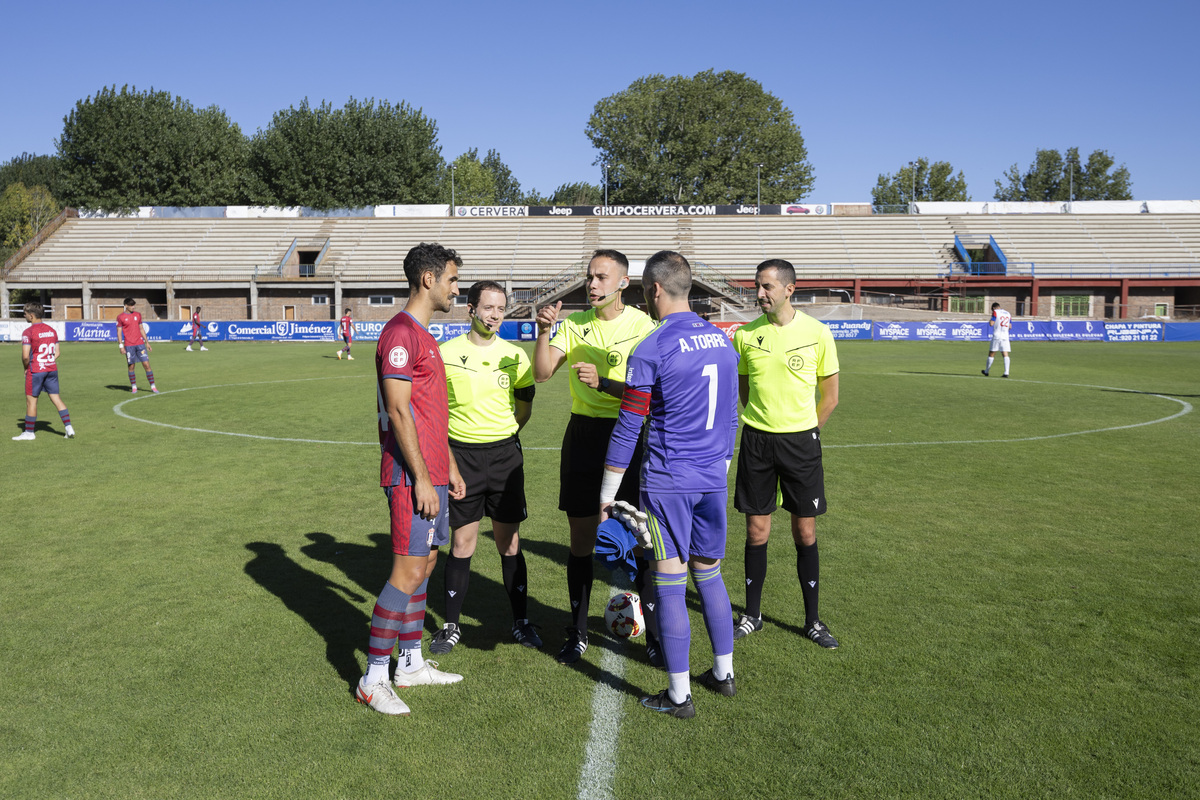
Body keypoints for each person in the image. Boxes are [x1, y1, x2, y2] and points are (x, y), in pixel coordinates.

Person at [600, 250, 740, 719]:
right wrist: (720, 466)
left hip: (668, 480)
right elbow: (730, 417)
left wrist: (606, 494)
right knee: (711, 574)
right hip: (710, 478)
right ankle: (724, 674)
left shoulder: (653, 346)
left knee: (671, 583)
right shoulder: (722, 341)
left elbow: (627, 425)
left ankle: (679, 696)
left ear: (654, 290)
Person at [356, 242, 467, 716]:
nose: (455, 289)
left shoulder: (423, 335)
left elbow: (428, 414)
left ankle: (411, 661)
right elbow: (398, 410)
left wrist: (449, 469)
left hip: (433, 473)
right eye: (452, 280)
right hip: (409, 477)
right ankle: (373, 677)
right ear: (428, 279)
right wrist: (422, 478)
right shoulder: (401, 334)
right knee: (405, 572)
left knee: (423, 567)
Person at [534, 249, 657, 665]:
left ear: (623, 282)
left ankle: (655, 635)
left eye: (602, 277)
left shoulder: (644, 326)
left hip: (629, 434)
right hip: (583, 436)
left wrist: (605, 382)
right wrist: (543, 332)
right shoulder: (573, 325)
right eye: (590, 277)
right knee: (582, 539)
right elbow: (542, 373)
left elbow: (654, 393)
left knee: (644, 540)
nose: (593, 284)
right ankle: (579, 632)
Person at [731, 259, 841, 649]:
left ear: (789, 289)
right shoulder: (744, 336)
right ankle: (752, 615)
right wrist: (765, 423)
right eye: (757, 287)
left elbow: (830, 397)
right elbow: (744, 391)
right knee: (756, 530)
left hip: (801, 444)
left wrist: (805, 432)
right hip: (758, 441)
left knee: (804, 530)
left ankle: (812, 620)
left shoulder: (818, 333)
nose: (759, 294)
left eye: (766, 287)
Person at [432, 280, 541, 653]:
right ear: (471, 309)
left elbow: (524, 407)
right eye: (489, 308)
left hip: (504, 457)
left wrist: (503, 434)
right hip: (461, 457)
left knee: (509, 543)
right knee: (463, 543)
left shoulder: (516, 356)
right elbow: (437, 415)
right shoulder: (445, 354)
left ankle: (521, 623)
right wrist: (450, 464)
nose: (495, 315)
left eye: (501, 309)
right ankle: (450, 626)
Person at [13, 302, 75, 441]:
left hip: (36, 370)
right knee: (56, 398)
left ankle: (29, 432)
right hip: (51, 368)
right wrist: (47, 360)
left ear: (31, 315)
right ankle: (68, 427)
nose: (24, 316)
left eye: (25, 314)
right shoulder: (51, 330)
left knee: (32, 401)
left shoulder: (28, 332)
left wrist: (26, 368)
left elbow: (25, 356)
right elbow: (57, 352)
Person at [116, 297, 157, 394]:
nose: (133, 307)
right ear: (126, 305)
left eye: (134, 305)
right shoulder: (120, 317)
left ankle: (153, 386)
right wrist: (121, 346)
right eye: (131, 305)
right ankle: (134, 387)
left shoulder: (138, 315)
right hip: (129, 345)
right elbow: (119, 332)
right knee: (131, 367)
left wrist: (147, 342)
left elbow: (141, 329)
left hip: (140, 344)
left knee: (146, 365)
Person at [981, 302, 1012, 377]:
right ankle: (1006, 372)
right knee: (1005, 354)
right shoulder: (1008, 313)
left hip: (997, 335)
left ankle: (987, 371)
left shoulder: (995, 312)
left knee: (992, 353)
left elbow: (991, 323)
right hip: (1005, 336)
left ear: (994, 308)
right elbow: (1010, 326)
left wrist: (990, 320)